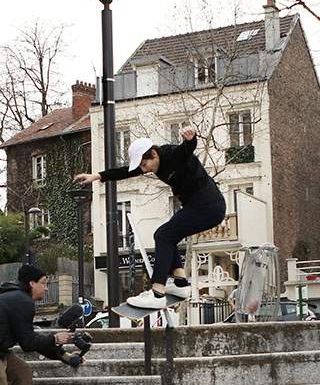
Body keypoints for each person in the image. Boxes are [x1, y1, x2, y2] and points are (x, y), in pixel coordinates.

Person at [74, 126, 226, 310]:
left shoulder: (171, 154)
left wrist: (190, 138)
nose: (144, 170)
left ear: (154, 154)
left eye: (145, 165)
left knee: (163, 235)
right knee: (166, 236)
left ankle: (157, 293)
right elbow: (125, 172)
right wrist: (96, 176)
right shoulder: (151, 163)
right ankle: (180, 284)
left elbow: (186, 148)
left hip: (209, 207)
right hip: (196, 207)